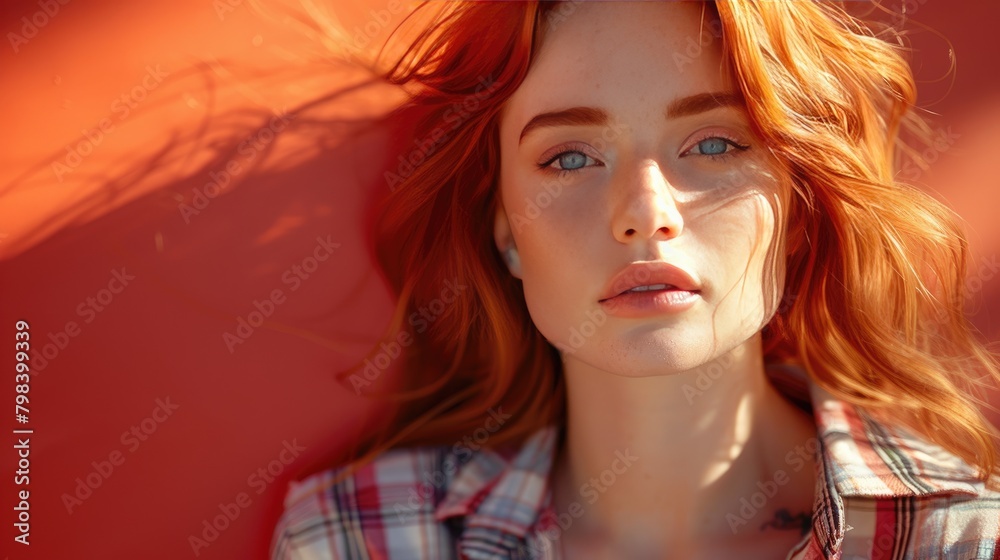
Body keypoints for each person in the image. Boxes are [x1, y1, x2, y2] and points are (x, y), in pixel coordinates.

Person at [270, 1, 1000, 558]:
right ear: (505, 228)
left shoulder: (964, 538)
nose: (646, 215)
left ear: (798, 207)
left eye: (714, 143)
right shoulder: (365, 538)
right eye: (569, 158)